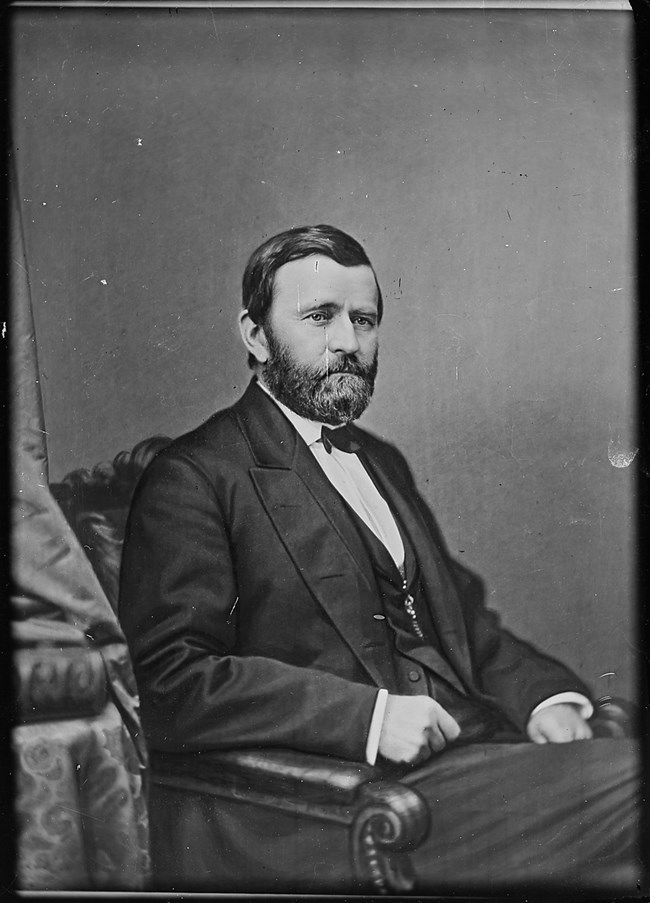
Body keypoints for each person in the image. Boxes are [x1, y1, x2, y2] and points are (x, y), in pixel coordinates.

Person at [119, 224, 640, 893]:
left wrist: (546, 697)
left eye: (363, 320)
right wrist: (367, 718)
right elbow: (169, 680)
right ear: (254, 335)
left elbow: (465, 627)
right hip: (349, 805)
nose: (347, 342)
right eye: (319, 317)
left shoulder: (381, 461)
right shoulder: (195, 475)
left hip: (479, 763)